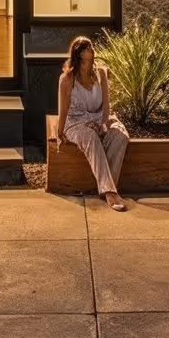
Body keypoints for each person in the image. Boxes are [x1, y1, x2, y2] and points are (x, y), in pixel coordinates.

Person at [57, 36, 128, 210]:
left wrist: (103, 124)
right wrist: (60, 132)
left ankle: (107, 186)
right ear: (79, 54)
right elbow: (64, 108)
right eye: (88, 48)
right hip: (75, 121)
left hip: (98, 118)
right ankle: (111, 193)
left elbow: (107, 105)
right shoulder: (67, 79)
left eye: (92, 47)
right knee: (90, 137)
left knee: (121, 135)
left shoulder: (101, 72)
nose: (92, 51)